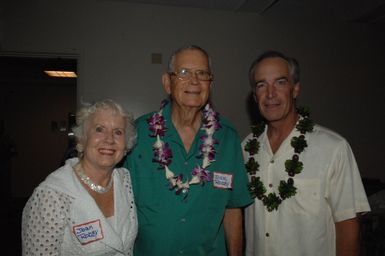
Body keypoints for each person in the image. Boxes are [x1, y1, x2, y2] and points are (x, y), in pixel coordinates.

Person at [124, 45, 252, 256]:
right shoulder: (138, 133)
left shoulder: (227, 137)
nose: (194, 81)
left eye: (202, 73)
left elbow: (233, 209)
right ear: (167, 82)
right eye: (184, 73)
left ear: (210, 84)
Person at [242, 50, 371, 256]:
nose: (270, 93)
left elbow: (348, 229)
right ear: (255, 96)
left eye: (280, 82)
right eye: (261, 85)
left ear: (295, 89)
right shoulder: (246, 148)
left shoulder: (333, 148)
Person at [22, 99, 138, 255]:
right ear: (82, 139)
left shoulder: (124, 181)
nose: (109, 139)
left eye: (118, 132)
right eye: (99, 129)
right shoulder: (51, 195)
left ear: (126, 145)